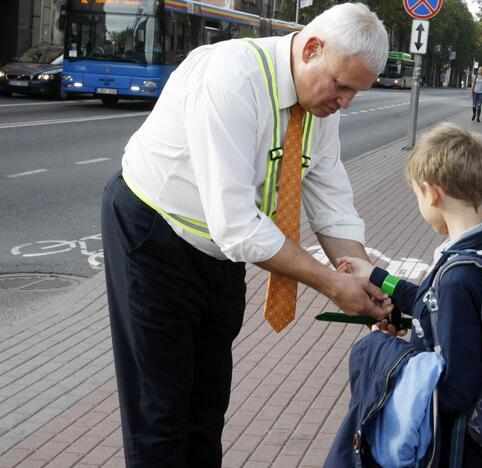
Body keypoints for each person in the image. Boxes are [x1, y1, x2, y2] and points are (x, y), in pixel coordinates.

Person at [100, 4, 394, 466]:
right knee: (159, 410)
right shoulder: (230, 79)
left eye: (355, 91)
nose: (345, 103)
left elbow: (330, 200)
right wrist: (333, 283)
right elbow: (237, 224)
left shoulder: (321, 104)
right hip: (154, 234)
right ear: (312, 48)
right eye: (341, 86)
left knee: (207, 407)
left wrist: (368, 280)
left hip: (221, 251)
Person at [337, 123, 482, 466]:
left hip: (455, 448)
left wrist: (391, 354)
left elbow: (455, 389)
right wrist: (377, 276)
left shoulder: (458, 278)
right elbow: (429, 300)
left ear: (432, 193)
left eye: (416, 196)